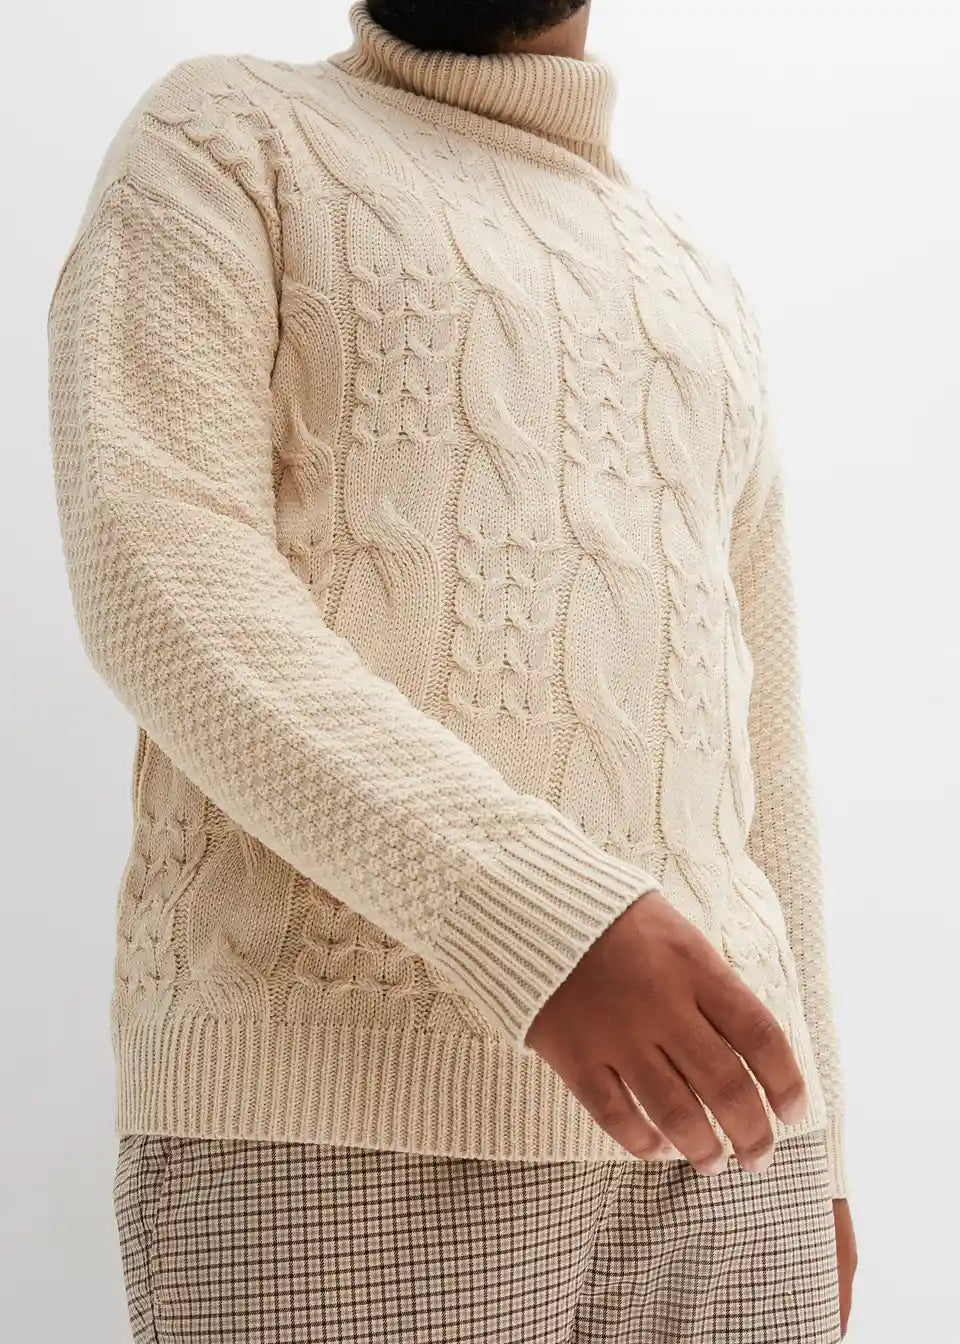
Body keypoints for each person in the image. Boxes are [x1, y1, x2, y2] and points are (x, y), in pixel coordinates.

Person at [47, 1, 857, 1338]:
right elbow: (164, 580)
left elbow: (763, 738)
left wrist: (823, 1139)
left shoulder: (698, 282)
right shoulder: (228, 138)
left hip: (734, 1175)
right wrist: (541, 923)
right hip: (331, 1137)